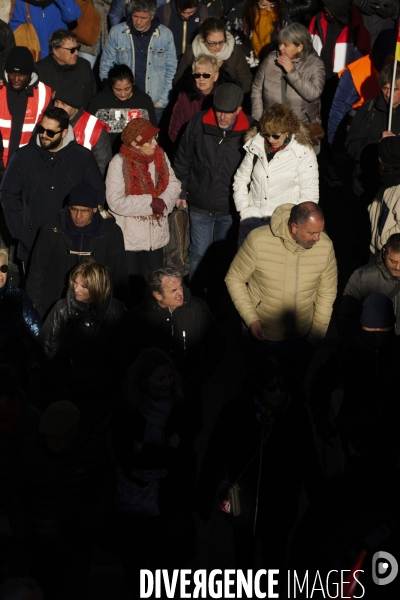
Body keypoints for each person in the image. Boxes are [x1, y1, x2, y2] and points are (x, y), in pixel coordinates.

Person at [197, 359, 322, 578]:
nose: (278, 393)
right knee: (243, 556)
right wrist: (204, 499)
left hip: (280, 500)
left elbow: (309, 460)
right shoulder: (235, 410)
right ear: (258, 387)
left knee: (275, 557)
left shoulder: (295, 415)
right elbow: (215, 453)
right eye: (271, 388)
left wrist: (320, 502)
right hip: (243, 497)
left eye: (284, 388)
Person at [4, 400, 115, 599]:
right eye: (50, 437)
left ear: (73, 433)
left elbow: (105, 488)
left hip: (76, 536)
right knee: (47, 587)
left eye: (59, 438)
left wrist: (93, 523)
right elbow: (13, 491)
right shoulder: (28, 450)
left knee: (70, 589)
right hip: (39, 538)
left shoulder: (93, 450)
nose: (54, 442)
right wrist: (23, 527)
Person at [111, 348, 197, 598]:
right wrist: (163, 451)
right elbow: (125, 452)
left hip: (170, 497)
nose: (167, 383)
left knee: (168, 564)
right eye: (160, 378)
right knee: (135, 563)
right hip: (135, 496)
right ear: (143, 380)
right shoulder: (127, 407)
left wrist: (144, 449)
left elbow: (182, 454)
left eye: (169, 376)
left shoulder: (181, 406)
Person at [225, 202, 337, 364]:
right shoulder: (258, 240)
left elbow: (327, 292)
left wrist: (316, 336)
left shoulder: (325, 247)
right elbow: (234, 278)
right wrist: (251, 319)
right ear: (294, 228)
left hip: (302, 339)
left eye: (320, 231)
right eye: (312, 233)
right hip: (262, 336)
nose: (318, 238)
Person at [173, 83, 252, 294]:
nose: (222, 117)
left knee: (224, 257)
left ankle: (218, 302)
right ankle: (196, 299)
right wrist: (181, 190)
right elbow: (183, 160)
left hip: (230, 208)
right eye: (219, 111)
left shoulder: (252, 130)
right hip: (200, 203)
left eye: (228, 112)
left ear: (239, 110)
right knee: (198, 253)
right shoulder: (197, 123)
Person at [0, 107, 105, 265]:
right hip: (32, 242)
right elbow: (8, 193)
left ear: (64, 132)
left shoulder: (82, 157)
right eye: (41, 129)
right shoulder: (23, 156)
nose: (43, 135)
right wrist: (19, 231)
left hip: (72, 242)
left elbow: (97, 193)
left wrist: (87, 227)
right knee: (33, 289)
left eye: (50, 132)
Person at [39, 259, 127, 432]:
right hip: (69, 387)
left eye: (84, 286)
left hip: (104, 391)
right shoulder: (62, 309)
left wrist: (114, 383)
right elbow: (48, 347)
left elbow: (123, 352)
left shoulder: (118, 311)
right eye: (75, 283)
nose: (76, 289)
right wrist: (60, 382)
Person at [26, 181, 128, 318]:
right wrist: (37, 314)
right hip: (53, 307)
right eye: (74, 209)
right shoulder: (52, 229)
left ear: (94, 209)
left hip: (97, 311)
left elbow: (118, 277)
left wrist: (112, 315)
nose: (78, 216)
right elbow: (36, 275)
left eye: (84, 211)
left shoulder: (111, 232)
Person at [106, 118, 180, 303]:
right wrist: (150, 203)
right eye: (149, 141)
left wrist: (163, 201)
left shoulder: (160, 157)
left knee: (155, 287)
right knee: (130, 289)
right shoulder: (118, 162)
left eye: (155, 138)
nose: (155, 143)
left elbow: (174, 184)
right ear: (134, 143)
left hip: (155, 239)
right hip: (129, 241)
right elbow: (115, 201)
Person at [126, 266, 225, 388]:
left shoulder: (198, 309)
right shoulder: (137, 318)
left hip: (188, 385)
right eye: (173, 290)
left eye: (180, 286)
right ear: (157, 295)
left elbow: (217, 343)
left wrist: (200, 375)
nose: (180, 293)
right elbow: (125, 353)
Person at [233, 103, 318, 244]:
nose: (270, 139)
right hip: (251, 226)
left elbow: (310, 195)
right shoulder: (256, 145)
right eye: (266, 134)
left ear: (288, 131)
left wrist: (293, 226)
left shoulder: (302, 152)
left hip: (283, 231)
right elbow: (240, 180)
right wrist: (245, 211)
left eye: (275, 136)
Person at [326, 27, 396, 186]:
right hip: (358, 147)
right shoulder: (356, 72)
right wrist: (336, 148)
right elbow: (338, 112)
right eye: (393, 58)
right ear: (382, 54)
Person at [99, 0, 177, 123]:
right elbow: (105, 66)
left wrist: (162, 101)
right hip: (123, 101)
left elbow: (171, 69)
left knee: (149, 140)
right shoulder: (117, 33)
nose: (138, 22)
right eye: (135, 16)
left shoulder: (165, 35)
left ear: (152, 16)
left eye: (143, 18)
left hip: (154, 102)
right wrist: (112, 95)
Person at [251, 22, 325, 131]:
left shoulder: (315, 64)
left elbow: (313, 94)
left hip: (302, 127)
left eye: (286, 45)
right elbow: (256, 89)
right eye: (280, 43)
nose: (280, 48)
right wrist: (258, 119)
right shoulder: (271, 59)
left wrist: (291, 71)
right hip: (271, 125)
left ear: (300, 47)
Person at [346, 63, 400, 201]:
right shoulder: (370, 109)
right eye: (384, 88)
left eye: (394, 89)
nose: (388, 94)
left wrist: (392, 148)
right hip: (367, 188)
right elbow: (351, 145)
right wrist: (378, 147)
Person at [337, 233, 400, 341]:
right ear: (384, 253)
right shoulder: (362, 276)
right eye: (393, 261)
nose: (398, 267)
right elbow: (347, 318)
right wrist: (362, 346)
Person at [0, 47, 52, 172]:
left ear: (30, 74)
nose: (16, 80)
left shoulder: (44, 93)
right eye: (12, 74)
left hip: (27, 167)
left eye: (22, 75)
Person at [87, 64, 157, 155]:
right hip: (105, 156)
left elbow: (153, 131)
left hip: (137, 156)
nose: (123, 94)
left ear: (132, 84)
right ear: (111, 86)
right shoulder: (98, 102)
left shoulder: (144, 101)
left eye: (127, 89)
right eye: (118, 90)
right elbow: (88, 132)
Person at [174, 17, 253, 93]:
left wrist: (230, 91)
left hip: (227, 102)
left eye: (221, 42)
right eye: (212, 43)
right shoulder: (191, 52)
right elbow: (178, 80)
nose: (218, 47)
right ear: (202, 39)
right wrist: (198, 89)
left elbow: (246, 81)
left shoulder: (234, 51)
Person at [0, 249, 42, 378]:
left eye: (3, 268)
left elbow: (39, 335)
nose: (0, 275)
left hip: (13, 373)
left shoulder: (18, 296)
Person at [53, 86, 112, 177]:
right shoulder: (48, 120)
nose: (57, 106)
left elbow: (102, 165)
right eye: (56, 101)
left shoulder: (96, 128)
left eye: (63, 104)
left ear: (75, 107)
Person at [308, 0, 370, 81]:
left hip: (342, 81)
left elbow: (361, 64)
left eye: (328, 12)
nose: (325, 14)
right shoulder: (317, 21)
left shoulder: (358, 31)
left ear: (338, 12)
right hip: (317, 76)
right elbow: (307, 45)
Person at [36, 30, 97, 109]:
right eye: (72, 50)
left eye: (77, 48)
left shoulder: (84, 66)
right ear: (56, 51)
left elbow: (91, 97)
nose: (76, 53)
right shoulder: (40, 70)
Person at [168, 53, 219, 145]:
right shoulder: (184, 97)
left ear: (215, 76)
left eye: (206, 75)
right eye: (197, 75)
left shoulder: (222, 97)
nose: (201, 79)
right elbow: (174, 131)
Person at [9, 0, 81, 60]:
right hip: (33, 55)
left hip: (58, 56)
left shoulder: (59, 3)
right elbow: (16, 29)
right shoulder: (23, 2)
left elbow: (73, 15)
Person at [225, 0, 284, 69]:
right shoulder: (240, 10)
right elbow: (227, 32)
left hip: (272, 61)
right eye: (263, 5)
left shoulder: (280, 10)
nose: (268, 9)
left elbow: (287, 34)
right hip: (245, 61)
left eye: (272, 5)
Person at [369, 136, 400, 255]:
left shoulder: (397, 188)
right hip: (380, 253)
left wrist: (383, 242)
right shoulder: (388, 183)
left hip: (390, 257)